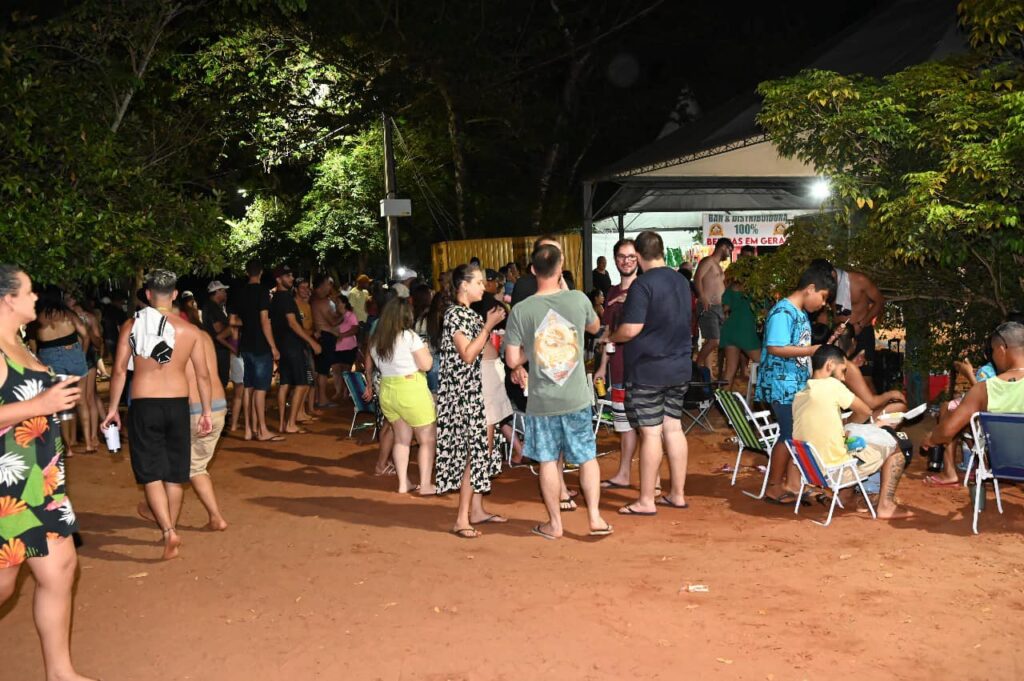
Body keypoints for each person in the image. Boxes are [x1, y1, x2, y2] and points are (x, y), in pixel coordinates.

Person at [0, 266, 95, 681]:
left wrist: (54, 392)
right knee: (3, 586)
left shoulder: (20, 343)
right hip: (7, 485)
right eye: (29, 291)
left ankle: (60, 673)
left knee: (60, 569)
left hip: (43, 480)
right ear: (7, 299)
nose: (36, 297)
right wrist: (39, 405)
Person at [102, 269, 214, 560]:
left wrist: (113, 409)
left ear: (148, 295)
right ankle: (172, 526)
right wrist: (205, 410)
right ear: (175, 294)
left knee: (150, 472)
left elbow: (118, 371)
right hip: (178, 404)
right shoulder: (190, 331)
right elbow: (202, 376)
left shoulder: (132, 325)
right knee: (175, 474)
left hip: (144, 404)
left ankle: (167, 531)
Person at [506, 244, 612, 539]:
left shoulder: (521, 310)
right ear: (561, 265)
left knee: (548, 460)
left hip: (543, 400)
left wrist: (537, 345)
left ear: (532, 270)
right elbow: (595, 327)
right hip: (576, 395)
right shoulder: (578, 299)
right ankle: (595, 518)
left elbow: (513, 360)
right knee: (587, 457)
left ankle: (554, 524)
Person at [608, 230, 693, 516]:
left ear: (640, 255)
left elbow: (631, 329)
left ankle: (646, 500)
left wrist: (613, 337)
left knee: (651, 433)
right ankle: (677, 494)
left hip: (649, 369)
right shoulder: (682, 280)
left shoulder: (642, 285)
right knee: (674, 428)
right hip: (680, 366)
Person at [793, 345, 912, 519]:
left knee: (851, 443)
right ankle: (885, 506)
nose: (842, 378)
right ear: (830, 365)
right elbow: (865, 411)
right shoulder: (832, 386)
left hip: (813, 471)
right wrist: (857, 424)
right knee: (897, 446)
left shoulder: (801, 395)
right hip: (835, 472)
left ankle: (845, 495)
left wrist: (845, 428)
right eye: (842, 371)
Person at [434, 264, 507, 538]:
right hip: (471, 392)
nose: (483, 286)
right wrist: (488, 326)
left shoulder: (467, 313)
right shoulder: (455, 315)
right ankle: (462, 518)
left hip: (483, 387)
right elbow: (467, 354)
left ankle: (476, 509)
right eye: (478, 281)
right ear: (463, 285)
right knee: (474, 452)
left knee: (483, 451)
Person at [138, 317, 229, 531]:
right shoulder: (203, 335)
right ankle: (215, 517)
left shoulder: (173, 338)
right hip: (218, 406)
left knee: (174, 469)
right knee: (197, 467)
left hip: (193, 409)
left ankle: (169, 524)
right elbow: (205, 374)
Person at [756, 266, 835, 504]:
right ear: (810, 289)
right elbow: (775, 347)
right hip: (781, 386)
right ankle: (774, 485)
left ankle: (793, 483)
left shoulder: (799, 314)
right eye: (822, 297)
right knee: (788, 434)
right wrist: (811, 350)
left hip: (794, 385)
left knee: (795, 434)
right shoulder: (784, 312)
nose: (822, 304)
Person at [363, 298, 437, 495]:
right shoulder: (409, 336)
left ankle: (403, 483)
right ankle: (426, 484)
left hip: (387, 390)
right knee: (427, 439)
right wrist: (426, 350)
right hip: (411, 388)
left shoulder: (377, 339)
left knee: (401, 440)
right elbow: (427, 365)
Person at [923, 321, 1024, 447]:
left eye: (993, 350)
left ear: (1001, 349)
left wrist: (930, 439)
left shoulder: (984, 389)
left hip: (1004, 463)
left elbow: (946, 432)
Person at [594, 238, 641, 489]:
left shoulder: (644, 290)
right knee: (623, 425)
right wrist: (603, 366)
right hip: (618, 368)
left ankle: (653, 482)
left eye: (631, 257)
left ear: (638, 259)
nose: (626, 261)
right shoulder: (611, 291)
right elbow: (609, 333)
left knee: (649, 427)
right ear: (614, 260)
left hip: (644, 370)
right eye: (622, 257)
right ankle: (623, 473)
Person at [32, 286, 91, 456]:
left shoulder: (37, 318)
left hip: (50, 357)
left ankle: (68, 448)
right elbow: (85, 335)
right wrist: (82, 354)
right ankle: (88, 443)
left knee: (63, 404)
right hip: (73, 353)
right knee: (81, 401)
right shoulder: (67, 314)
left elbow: (33, 345)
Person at [229, 260, 281, 442]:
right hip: (261, 346)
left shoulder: (239, 292)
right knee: (260, 389)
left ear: (246, 272)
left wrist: (248, 323)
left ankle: (248, 430)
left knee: (248, 387)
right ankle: (263, 430)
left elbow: (232, 321)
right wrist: (273, 347)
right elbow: (265, 320)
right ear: (260, 272)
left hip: (246, 346)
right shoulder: (262, 291)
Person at [269, 267, 321, 434]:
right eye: (287, 275)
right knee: (301, 383)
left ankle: (284, 423)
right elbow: (292, 323)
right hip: (292, 346)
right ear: (278, 279)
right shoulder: (286, 298)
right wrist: (312, 342)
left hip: (283, 346)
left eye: (291, 274)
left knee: (285, 384)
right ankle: (291, 423)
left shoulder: (275, 298)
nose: (291, 278)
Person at [832, 326, 907, 421]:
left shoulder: (831, 359)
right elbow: (871, 403)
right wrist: (892, 394)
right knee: (899, 407)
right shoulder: (848, 366)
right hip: (842, 420)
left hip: (837, 415)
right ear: (853, 341)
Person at [65, 292, 104, 453]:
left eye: (71, 298)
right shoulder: (63, 316)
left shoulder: (88, 317)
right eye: (66, 298)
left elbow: (98, 341)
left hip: (87, 359)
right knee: (75, 398)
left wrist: (87, 330)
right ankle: (75, 437)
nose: (68, 301)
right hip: (71, 360)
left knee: (88, 397)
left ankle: (93, 436)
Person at [694, 237, 733, 375]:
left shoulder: (718, 265)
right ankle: (697, 365)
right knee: (714, 340)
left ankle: (708, 372)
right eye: (730, 250)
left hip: (719, 307)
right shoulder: (708, 261)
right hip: (708, 305)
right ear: (723, 247)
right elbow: (697, 277)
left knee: (712, 340)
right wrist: (702, 296)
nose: (729, 254)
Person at [719, 276, 762, 387]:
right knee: (765, 363)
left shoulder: (732, 287)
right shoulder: (758, 289)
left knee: (729, 371)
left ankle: (721, 402)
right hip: (745, 330)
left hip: (730, 328)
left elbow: (725, 308)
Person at [310, 275, 342, 408]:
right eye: (329, 283)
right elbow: (332, 321)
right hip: (325, 337)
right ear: (322, 284)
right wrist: (342, 313)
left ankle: (319, 397)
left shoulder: (314, 299)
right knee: (322, 371)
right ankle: (322, 399)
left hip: (320, 337)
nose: (331, 286)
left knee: (319, 370)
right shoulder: (322, 301)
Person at [202, 280, 233, 390]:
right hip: (218, 350)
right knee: (220, 381)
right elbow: (219, 329)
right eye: (223, 291)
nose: (226, 294)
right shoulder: (212, 308)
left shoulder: (211, 306)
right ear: (217, 292)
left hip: (215, 349)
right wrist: (233, 325)